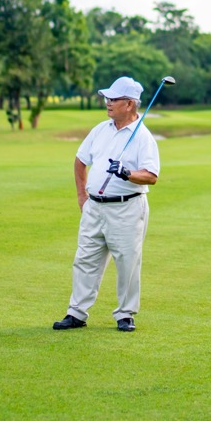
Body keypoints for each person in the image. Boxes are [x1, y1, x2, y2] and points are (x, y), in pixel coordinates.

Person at [54, 76, 160, 333]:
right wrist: (82, 196)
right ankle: (76, 312)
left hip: (127, 208)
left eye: (114, 99)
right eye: (107, 98)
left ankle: (125, 314)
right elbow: (80, 161)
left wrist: (126, 173)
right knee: (85, 260)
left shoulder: (143, 137)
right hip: (95, 206)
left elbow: (151, 176)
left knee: (127, 263)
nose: (108, 103)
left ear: (130, 104)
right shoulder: (100, 129)